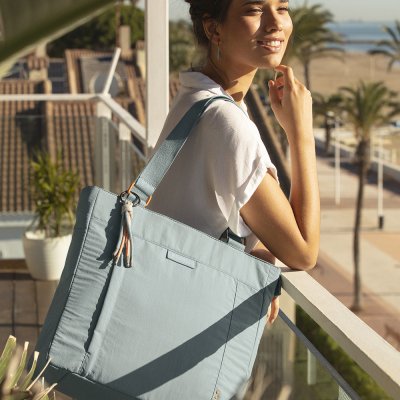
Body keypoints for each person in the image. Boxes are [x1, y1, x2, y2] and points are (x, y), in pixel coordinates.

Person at [148, 0, 320, 325]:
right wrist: (301, 135)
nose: (275, 23)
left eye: (282, 7)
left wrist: (258, 251)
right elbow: (304, 253)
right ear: (214, 28)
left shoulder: (195, 97)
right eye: (255, 9)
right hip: (191, 322)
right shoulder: (226, 122)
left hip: (168, 301)